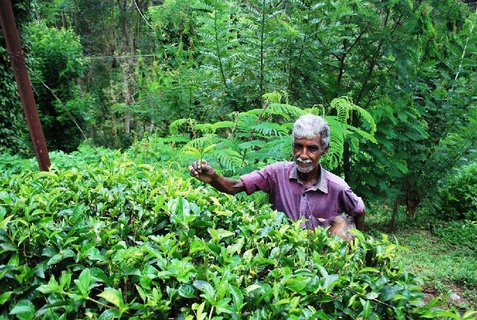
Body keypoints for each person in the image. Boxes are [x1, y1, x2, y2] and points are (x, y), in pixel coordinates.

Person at [188, 114, 365, 232]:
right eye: (298, 146)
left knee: (342, 227)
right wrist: (213, 177)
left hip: (321, 265)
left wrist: (354, 243)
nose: (303, 155)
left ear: (324, 150)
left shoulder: (337, 187)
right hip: (284, 259)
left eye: (312, 149)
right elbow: (234, 186)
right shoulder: (277, 173)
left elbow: (359, 210)